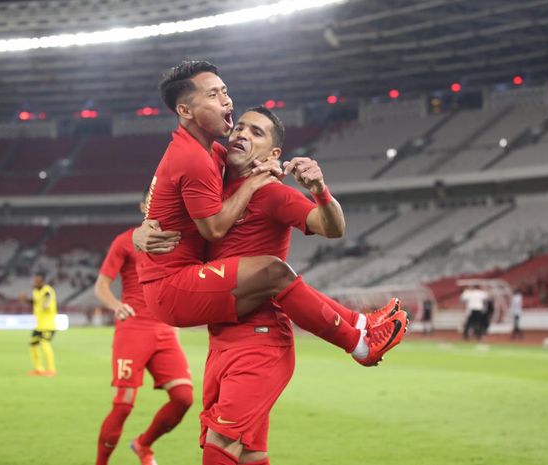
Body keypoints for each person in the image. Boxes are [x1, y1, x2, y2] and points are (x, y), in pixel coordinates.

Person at [133, 60, 406, 373]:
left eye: (225, 92)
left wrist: (316, 189)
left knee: (275, 273)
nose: (226, 101)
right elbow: (213, 230)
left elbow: (161, 203)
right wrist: (138, 234)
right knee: (274, 271)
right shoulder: (197, 158)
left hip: (196, 294)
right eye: (213, 95)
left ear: (273, 153)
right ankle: (359, 344)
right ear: (186, 110)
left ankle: (358, 324)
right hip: (174, 289)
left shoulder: (215, 155)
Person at [194, 107, 402, 465]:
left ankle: (360, 340)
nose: (242, 134)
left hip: (260, 342)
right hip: (221, 340)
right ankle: (360, 325)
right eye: (240, 127)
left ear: (274, 155)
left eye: (257, 133)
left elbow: (333, 228)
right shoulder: (214, 183)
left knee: (221, 443)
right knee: (250, 453)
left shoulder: (272, 194)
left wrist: (320, 190)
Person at [93, 199, 193, 465]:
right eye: (150, 199)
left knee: (184, 398)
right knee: (124, 404)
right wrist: (116, 305)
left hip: (165, 330)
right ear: (141, 206)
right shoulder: (125, 241)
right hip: (134, 328)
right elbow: (101, 285)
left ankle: (143, 444)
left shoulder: (176, 240)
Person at [19, 273, 58, 376]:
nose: (35, 282)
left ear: (42, 281)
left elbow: (47, 301)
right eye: (34, 280)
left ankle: (51, 370)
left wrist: (46, 304)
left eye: (37, 281)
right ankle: (38, 369)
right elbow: (35, 302)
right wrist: (26, 300)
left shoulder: (47, 291)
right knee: (33, 345)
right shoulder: (36, 291)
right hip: (39, 325)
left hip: (49, 324)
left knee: (45, 344)